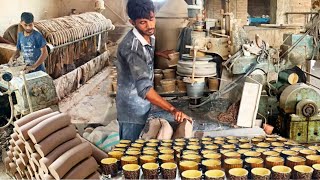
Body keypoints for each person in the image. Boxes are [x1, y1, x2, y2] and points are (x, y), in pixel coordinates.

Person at [116, 0, 191, 141]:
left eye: (151, 19)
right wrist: (173, 109)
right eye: (143, 22)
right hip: (132, 109)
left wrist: (159, 53)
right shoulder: (131, 48)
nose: (150, 26)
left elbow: (144, 53)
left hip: (144, 105)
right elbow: (145, 89)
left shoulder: (149, 36)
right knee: (129, 152)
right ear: (132, 22)